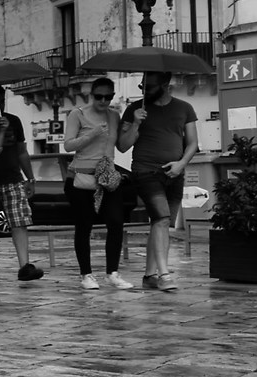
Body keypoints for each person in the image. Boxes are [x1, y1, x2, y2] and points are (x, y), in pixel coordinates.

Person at [116, 70, 200, 290]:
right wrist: (136, 123)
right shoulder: (134, 109)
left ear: (164, 85)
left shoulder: (184, 108)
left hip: (174, 173)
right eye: (142, 86)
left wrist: (181, 164)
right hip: (145, 172)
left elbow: (193, 143)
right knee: (161, 219)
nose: (144, 90)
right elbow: (122, 145)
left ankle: (149, 276)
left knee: (160, 222)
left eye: (149, 86)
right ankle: (164, 275)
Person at [62, 77, 130, 290]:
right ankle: (86, 274)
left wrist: (135, 125)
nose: (103, 101)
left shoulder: (114, 116)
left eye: (108, 97)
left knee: (116, 221)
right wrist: (93, 134)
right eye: (99, 96)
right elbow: (68, 145)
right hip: (81, 178)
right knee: (84, 225)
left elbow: (122, 146)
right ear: (91, 95)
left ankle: (112, 272)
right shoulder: (77, 114)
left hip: (107, 178)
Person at [0, 97, 43, 282]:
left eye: (0, 100)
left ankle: (24, 265)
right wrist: (0, 131)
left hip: (13, 178)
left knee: (19, 221)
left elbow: (21, 151)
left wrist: (29, 178)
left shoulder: (14, 121)